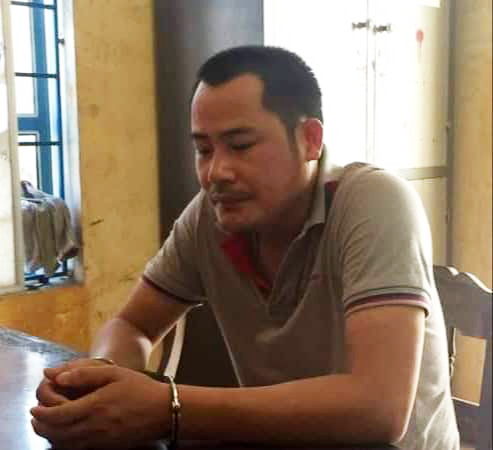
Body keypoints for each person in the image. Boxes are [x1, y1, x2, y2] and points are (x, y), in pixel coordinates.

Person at [32, 46, 459, 450]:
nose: (216, 172)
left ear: (310, 139)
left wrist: (171, 407)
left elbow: (380, 407)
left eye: (240, 146)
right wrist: (100, 380)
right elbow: (133, 326)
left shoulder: (373, 202)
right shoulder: (210, 217)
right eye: (203, 150)